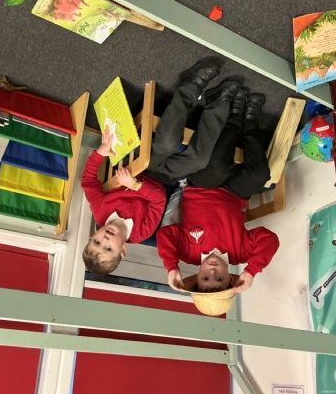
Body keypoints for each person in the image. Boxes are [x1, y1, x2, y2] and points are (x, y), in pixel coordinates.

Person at [81, 56, 244, 275]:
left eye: (97, 241)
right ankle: (217, 103)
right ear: (123, 251)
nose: (105, 239)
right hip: (162, 178)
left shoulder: (100, 210)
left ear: (93, 235)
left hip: (139, 165)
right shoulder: (141, 233)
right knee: (199, 160)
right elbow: (159, 199)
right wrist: (135, 186)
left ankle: (189, 86)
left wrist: (99, 154)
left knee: (167, 143)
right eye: (108, 248)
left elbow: (88, 182)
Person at [156, 83, 280, 315]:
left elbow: (165, 236)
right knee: (260, 175)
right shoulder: (240, 254)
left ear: (197, 276)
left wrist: (171, 267)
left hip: (200, 187)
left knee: (219, 167)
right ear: (230, 278)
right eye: (219, 278)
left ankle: (235, 116)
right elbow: (269, 239)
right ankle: (251, 123)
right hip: (234, 194)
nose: (212, 271)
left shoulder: (188, 254)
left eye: (205, 277)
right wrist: (252, 270)